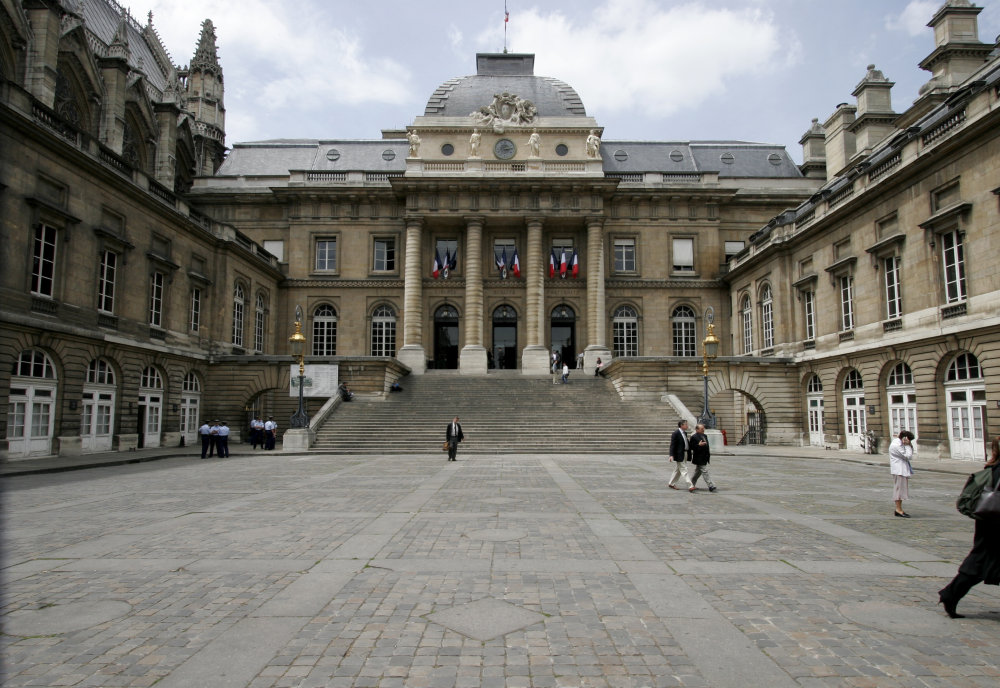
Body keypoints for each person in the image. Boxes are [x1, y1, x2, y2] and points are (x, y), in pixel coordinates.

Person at [939, 436, 1000, 618]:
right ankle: (950, 594)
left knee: (982, 560)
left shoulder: (992, 468)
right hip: (995, 522)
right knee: (980, 561)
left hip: (987, 519)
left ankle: (951, 594)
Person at [889, 430, 915, 517]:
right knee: (899, 490)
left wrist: (907, 445)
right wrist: (907, 446)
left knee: (901, 490)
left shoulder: (900, 444)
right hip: (899, 470)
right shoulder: (896, 445)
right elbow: (908, 456)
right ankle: (898, 510)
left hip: (902, 469)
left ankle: (899, 509)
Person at [689, 424, 716, 492]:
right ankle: (711, 485)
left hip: (704, 456)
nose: (703, 429)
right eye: (702, 428)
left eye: (703, 428)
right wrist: (698, 445)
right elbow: (691, 447)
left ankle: (691, 484)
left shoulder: (704, 436)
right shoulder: (694, 437)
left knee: (698, 472)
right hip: (699, 457)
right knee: (704, 471)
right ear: (697, 430)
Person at [668, 420, 693, 490]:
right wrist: (671, 455)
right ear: (681, 425)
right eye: (685, 424)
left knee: (678, 469)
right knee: (684, 469)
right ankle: (690, 485)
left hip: (685, 453)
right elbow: (672, 445)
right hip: (679, 454)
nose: (687, 426)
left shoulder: (685, 433)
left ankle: (671, 483)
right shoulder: (676, 433)